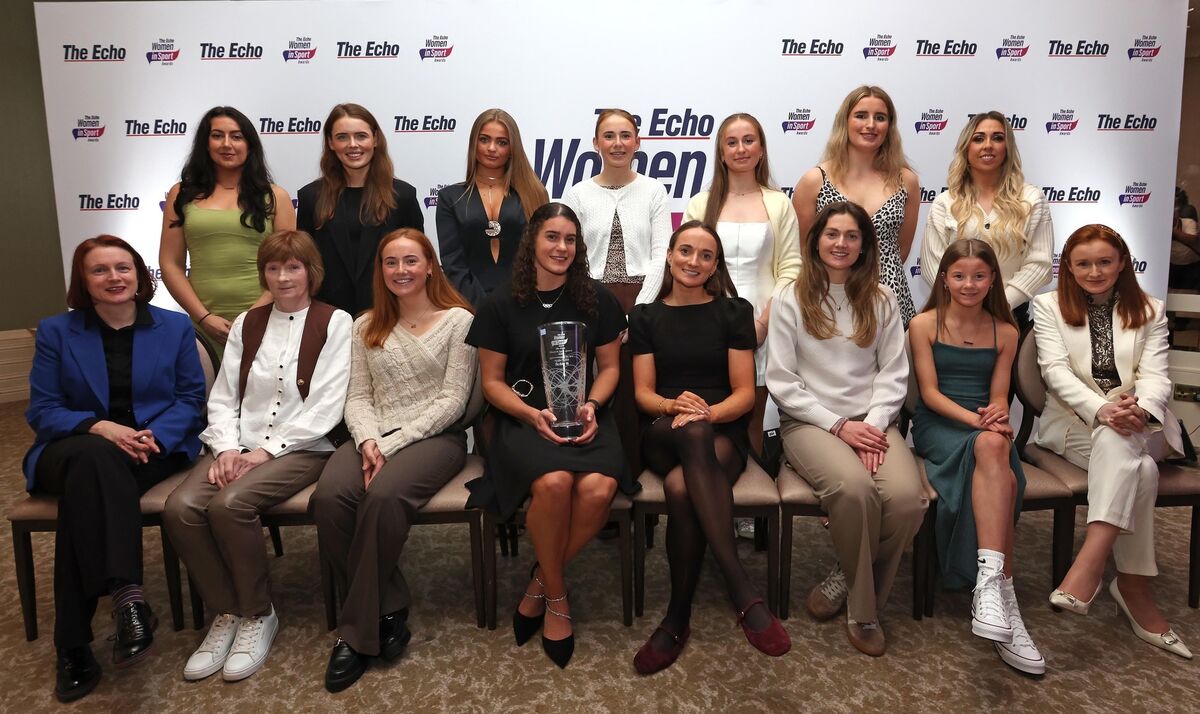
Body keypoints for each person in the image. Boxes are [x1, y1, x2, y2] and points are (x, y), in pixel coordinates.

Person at [164, 231, 351, 682]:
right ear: (263, 273)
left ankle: (257, 613)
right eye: (273, 268)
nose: (283, 277)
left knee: (230, 505)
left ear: (311, 271)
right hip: (240, 445)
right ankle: (226, 611)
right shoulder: (246, 323)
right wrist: (227, 448)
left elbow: (327, 404)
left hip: (304, 447)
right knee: (180, 508)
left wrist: (265, 452)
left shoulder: (335, 321)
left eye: (293, 267)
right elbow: (225, 395)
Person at [25, 236, 205, 702]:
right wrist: (100, 427)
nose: (114, 278)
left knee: (83, 500)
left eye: (123, 268)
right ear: (83, 281)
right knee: (95, 459)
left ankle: (72, 644)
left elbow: (191, 399)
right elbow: (43, 410)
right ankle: (128, 596)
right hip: (72, 446)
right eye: (99, 270)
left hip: (150, 447)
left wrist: (153, 436)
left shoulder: (173, 326)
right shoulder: (57, 331)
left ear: (139, 274)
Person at [465, 202, 638, 668]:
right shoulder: (500, 302)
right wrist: (529, 413)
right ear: (532, 242)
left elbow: (610, 369)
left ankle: (539, 580)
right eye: (552, 237)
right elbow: (492, 383)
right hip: (520, 417)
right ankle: (558, 599)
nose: (562, 247)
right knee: (556, 482)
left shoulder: (596, 299)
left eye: (570, 239)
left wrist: (593, 406)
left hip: (585, 414)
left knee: (599, 488)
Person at [312, 228, 476, 692]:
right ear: (380, 271)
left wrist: (395, 441)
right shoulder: (365, 325)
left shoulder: (459, 321)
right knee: (330, 498)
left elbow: (453, 400)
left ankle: (355, 634)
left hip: (435, 439)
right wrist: (368, 439)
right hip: (372, 435)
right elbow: (357, 397)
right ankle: (388, 606)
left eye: (410, 261)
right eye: (391, 262)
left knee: (382, 498)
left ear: (430, 267)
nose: (401, 270)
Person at [628, 221, 790, 675]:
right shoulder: (645, 317)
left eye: (705, 255)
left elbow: (744, 394)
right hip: (662, 430)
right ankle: (741, 589)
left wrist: (706, 414)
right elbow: (642, 393)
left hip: (720, 432)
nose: (693, 261)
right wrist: (673, 406)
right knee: (689, 435)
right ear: (669, 256)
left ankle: (676, 617)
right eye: (685, 251)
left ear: (716, 265)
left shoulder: (734, 312)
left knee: (682, 486)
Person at [765, 201, 925, 657]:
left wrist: (870, 427)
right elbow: (782, 381)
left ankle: (846, 573)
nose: (841, 243)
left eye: (851, 236)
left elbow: (894, 375)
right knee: (855, 490)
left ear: (864, 245)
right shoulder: (790, 297)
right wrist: (839, 427)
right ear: (816, 241)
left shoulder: (883, 298)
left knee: (907, 500)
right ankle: (864, 610)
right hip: (810, 422)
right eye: (832, 234)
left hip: (872, 422)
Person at [1034, 224, 1191, 659]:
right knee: (1140, 469)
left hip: (1140, 423)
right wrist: (1103, 410)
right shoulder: (1047, 306)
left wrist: (1141, 409)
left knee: (1121, 443)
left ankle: (1088, 564)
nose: (1095, 271)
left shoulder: (1151, 309)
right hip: (1074, 423)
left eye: (1104, 261)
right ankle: (1133, 587)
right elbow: (1054, 371)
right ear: (1068, 267)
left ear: (1122, 263)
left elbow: (1157, 376)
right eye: (1083, 263)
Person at [909, 239, 1042, 674]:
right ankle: (1003, 592)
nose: (969, 284)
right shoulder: (923, 324)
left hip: (984, 426)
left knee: (995, 451)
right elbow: (929, 395)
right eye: (960, 275)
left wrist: (997, 413)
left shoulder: (1007, 330)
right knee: (996, 455)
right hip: (940, 425)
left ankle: (992, 586)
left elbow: (999, 395)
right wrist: (980, 422)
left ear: (993, 280)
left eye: (979, 276)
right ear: (944, 279)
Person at [562, 107, 672, 475]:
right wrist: (596, 308)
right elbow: (571, 256)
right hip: (589, 301)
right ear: (596, 143)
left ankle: (632, 473)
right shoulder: (578, 195)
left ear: (638, 142)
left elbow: (661, 255)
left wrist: (636, 312)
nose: (618, 143)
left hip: (643, 302)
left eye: (626, 135)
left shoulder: (654, 191)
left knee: (633, 390)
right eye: (609, 136)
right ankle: (589, 469)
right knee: (589, 387)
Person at [683, 112, 801, 455]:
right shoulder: (700, 203)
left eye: (748, 141)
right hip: (706, 320)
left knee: (754, 421)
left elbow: (792, 267)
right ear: (721, 152)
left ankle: (754, 484)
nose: (740, 149)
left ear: (761, 149)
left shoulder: (778, 203)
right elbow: (686, 266)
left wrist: (763, 322)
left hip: (765, 320)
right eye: (731, 142)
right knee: (707, 417)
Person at [160, 106, 296, 355]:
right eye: (217, 135)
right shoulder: (181, 194)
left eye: (236, 136)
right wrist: (203, 317)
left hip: (265, 320)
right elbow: (170, 263)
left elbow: (289, 266)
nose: (226, 144)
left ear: (250, 144)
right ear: (205, 143)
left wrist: (252, 318)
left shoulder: (276, 197)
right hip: (203, 323)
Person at [792, 86, 920, 325]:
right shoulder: (814, 181)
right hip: (829, 299)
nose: (871, 125)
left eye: (880, 117)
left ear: (889, 126)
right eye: (861, 115)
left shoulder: (906, 182)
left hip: (890, 299)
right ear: (845, 121)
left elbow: (901, 249)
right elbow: (804, 248)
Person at [921, 111, 1053, 326]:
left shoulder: (1031, 199)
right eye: (979, 138)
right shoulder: (945, 202)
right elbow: (933, 267)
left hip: (1010, 318)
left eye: (998, 138)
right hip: (955, 319)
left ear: (1007, 148)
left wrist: (1003, 305)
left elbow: (1040, 264)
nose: (988, 145)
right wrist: (966, 305)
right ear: (966, 148)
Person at [297, 102, 425, 317]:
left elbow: (417, 260)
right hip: (328, 316)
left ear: (375, 139)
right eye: (342, 137)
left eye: (361, 136)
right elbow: (305, 263)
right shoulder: (310, 197)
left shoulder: (403, 195)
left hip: (389, 313)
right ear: (330, 143)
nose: (353, 145)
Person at [437, 108, 549, 306]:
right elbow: (453, 264)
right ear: (474, 142)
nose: (491, 148)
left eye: (502, 142)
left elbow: (540, 256)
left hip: (524, 304)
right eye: (484, 139)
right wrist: (484, 309)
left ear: (512, 148)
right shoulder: (450, 197)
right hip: (467, 307)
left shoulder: (534, 194)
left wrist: (516, 305)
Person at [1170, 187, 1200, 290]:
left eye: (1175, 206)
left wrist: (1174, 232)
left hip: (1192, 268)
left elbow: (1192, 240)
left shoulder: (1189, 222)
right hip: (1173, 267)